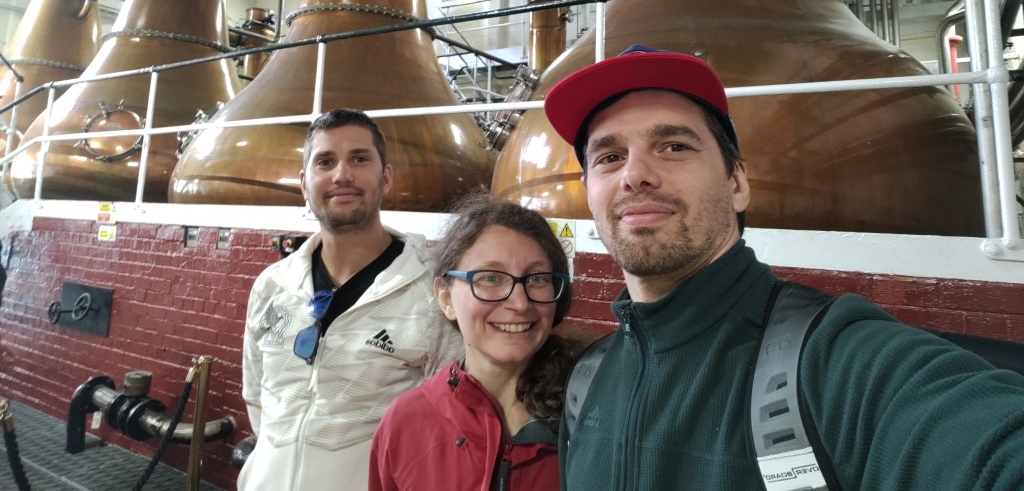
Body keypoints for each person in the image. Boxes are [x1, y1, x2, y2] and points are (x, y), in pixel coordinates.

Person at [544, 44, 1024, 491]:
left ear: (737, 184)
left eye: (674, 146)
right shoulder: (588, 382)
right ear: (590, 193)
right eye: (610, 157)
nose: (634, 175)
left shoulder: (832, 361)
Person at [239, 108, 462, 491]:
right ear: (304, 183)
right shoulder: (271, 285)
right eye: (325, 162)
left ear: (385, 177)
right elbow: (256, 396)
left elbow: (447, 424)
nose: (342, 174)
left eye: (359, 159)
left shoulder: (432, 292)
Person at [368, 193, 579, 491]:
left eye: (537, 279)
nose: (520, 303)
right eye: (491, 278)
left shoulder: (592, 414)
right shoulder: (405, 424)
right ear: (445, 297)